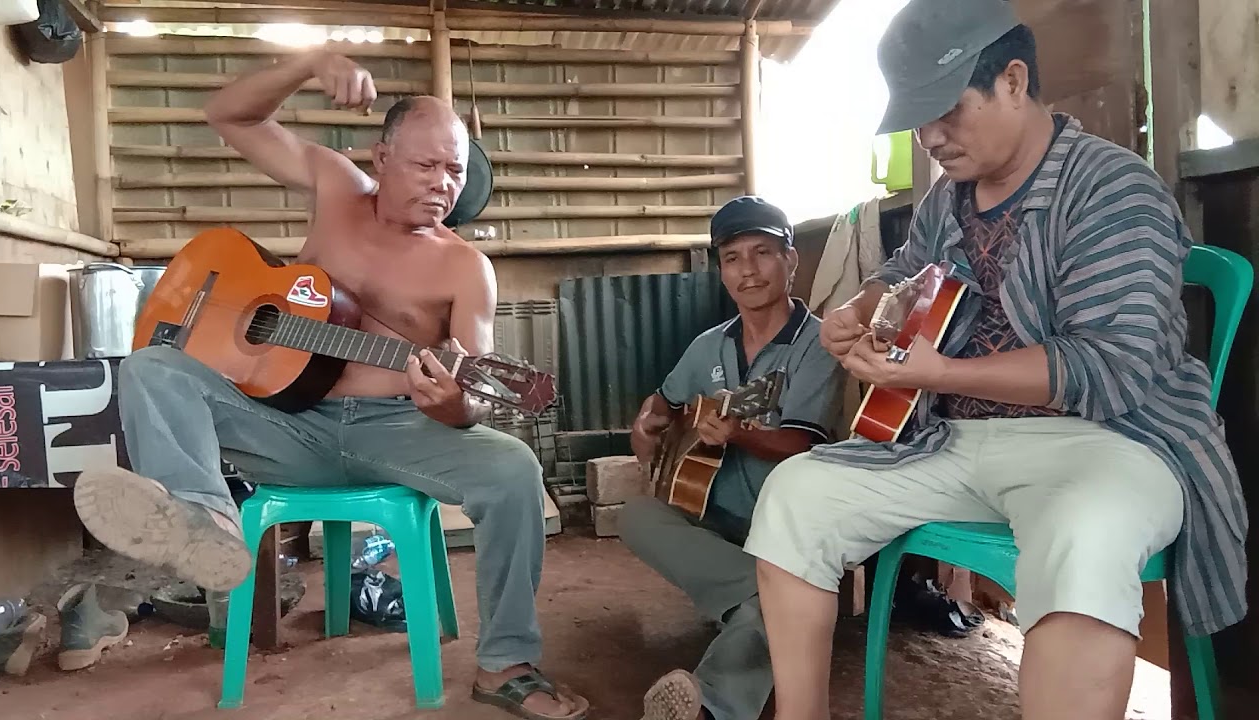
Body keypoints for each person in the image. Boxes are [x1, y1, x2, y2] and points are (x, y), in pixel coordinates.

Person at [742, 2, 1248, 720]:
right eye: (920, 120)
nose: (932, 137)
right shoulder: (944, 201)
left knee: (1086, 530)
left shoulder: (1113, 189)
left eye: (947, 111)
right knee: (796, 494)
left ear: (1013, 81)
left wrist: (941, 375)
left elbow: (1112, 367)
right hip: (954, 441)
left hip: (1112, 441)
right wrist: (861, 308)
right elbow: (904, 270)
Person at [71, 49, 588, 720]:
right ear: (381, 158)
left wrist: (460, 407)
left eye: (455, 170)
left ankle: (506, 665)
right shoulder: (335, 187)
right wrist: (309, 63)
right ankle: (206, 520)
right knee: (149, 367)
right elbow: (226, 113)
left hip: (394, 431)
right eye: (425, 165)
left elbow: (481, 386)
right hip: (283, 423)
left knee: (515, 470)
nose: (443, 184)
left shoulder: (466, 269)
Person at [620, 196, 842, 720]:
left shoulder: (819, 344)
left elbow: (803, 442)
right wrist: (648, 423)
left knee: (770, 607)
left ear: (791, 260)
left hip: (790, 531)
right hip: (715, 519)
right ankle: (763, 598)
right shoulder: (707, 346)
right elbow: (665, 401)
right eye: (733, 258)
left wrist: (741, 435)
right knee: (637, 515)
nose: (748, 271)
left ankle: (710, 707)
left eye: (762, 253)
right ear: (720, 271)